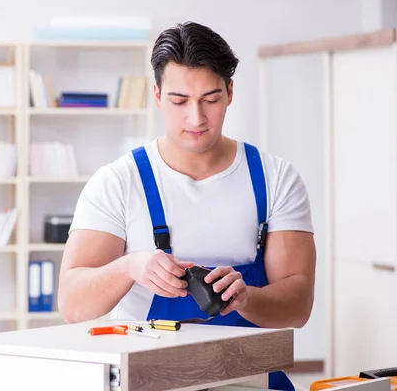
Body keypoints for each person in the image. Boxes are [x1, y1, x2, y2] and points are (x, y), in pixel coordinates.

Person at [57, 21, 316, 391]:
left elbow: (298, 306)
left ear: (229, 92)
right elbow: (72, 304)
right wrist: (132, 266)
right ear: (158, 95)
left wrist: (246, 297)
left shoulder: (276, 179)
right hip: (151, 381)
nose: (196, 118)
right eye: (180, 101)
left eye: (210, 100)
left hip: (252, 380)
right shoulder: (118, 182)